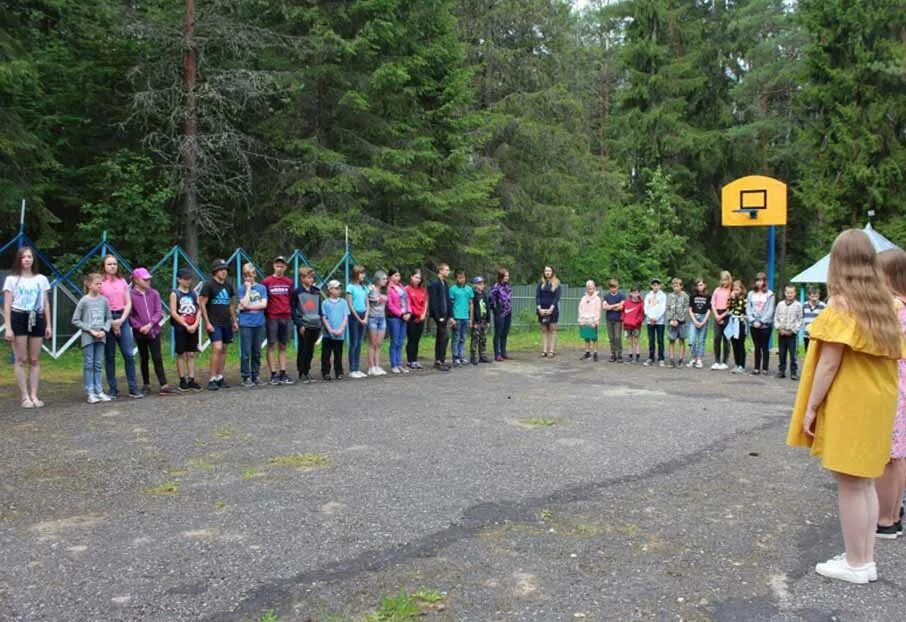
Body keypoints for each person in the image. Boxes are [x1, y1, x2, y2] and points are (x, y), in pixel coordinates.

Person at [787, 229, 903, 584]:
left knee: (850, 484)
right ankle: (864, 558)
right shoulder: (885, 305)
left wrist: (810, 407)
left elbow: (828, 364)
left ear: (837, 263)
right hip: (880, 400)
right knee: (864, 482)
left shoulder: (842, 305)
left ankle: (855, 562)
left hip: (852, 402)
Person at [875, 248, 906, 540]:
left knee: (887, 456)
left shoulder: (893, 306)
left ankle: (885, 518)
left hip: (893, 384)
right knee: (898, 455)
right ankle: (894, 514)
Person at [3, 246, 52, 408]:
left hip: (36, 317)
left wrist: (48, 325)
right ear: (19, 259)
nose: (27, 259)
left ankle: (34, 395)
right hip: (18, 317)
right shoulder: (11, 280)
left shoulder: (41, 279)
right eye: (24, 257)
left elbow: (45, 303)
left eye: (29, 257)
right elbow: (8, 305)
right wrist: (8, 327)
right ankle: (24, 397)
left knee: (35, 359)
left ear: (33, 260)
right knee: (21, 358)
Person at [100, 253, 141, 399]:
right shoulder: (101, 283)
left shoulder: (122, 281)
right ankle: (112, 388)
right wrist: (111, 321)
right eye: (109, 264)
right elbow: (98, 304)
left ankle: (133, 387)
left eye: (114, 264)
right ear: (104, 266)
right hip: (107, 319)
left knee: (128, 354)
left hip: (122, 318)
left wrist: (122, 320)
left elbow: (128, 302)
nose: (112, 266)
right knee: (109, 355)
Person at [129, 267, 173, 395]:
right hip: (140, 332)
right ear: (136, 280)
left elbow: (159, 311)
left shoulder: (154, 293)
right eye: (145, 279)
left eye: (149, 279)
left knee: (157, 357)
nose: (148, 281)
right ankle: (146, 383)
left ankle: (163, 383)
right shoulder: (130, 295)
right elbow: (130, 315)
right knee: (144, 357)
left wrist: (151, 324)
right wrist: (139, 327)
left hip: (154, 331)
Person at [71, 273, 112, 403]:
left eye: (101, 284)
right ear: (89, 285)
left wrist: (104, 330)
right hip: (88, 337)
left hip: (101, 337)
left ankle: (99, 391)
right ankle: (90, 392)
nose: (99, 286)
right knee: (89, 363)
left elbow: (109, 318)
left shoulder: (104, 300)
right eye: (97, 283)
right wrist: (90, 330)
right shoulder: (84, 301)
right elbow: (75, 320)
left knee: (98, 363)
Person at [199, 259, 237, 391]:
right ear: (215, 271)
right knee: (217, 348)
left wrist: (234, 320)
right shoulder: (208, 285)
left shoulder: (228, 286)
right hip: (214, 322)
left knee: (224, 349)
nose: (224, 272)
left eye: (225, 269)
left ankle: (220, 376)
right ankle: (212, 378)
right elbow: (202, 303)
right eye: (221, 269)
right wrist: (207, 322)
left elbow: (230, 304)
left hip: (226, 321)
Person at [262, 256, 294, 385]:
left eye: (282, 266)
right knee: (271, 345)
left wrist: (289, 312)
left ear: (285, 267)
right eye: (277, 265)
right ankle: (273, 373)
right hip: (272, 317)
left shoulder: (289, 282)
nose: (279, 268)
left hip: (285, 316)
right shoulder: (267, 282)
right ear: (274, 266)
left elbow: (291, 299)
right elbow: (265, 299)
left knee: (283, 346)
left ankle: (283, 372)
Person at [169, 267, 202, 391]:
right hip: (181, 327)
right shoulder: (175, 293)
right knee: (181, 353)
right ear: (179, 280)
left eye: (190, 279)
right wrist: (185, 325)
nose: (188, 281)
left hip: (193, 324)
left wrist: (195, 324)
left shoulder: (193, 293)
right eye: (185, 279)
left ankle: (192, 379)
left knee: (191, 353)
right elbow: (173, 312)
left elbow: (198, 310)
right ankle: (182, 379)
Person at [237, 263, 268, 387]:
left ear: (254, 274)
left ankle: (256, 375)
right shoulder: (241, 288)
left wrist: (247, 306)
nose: (248, 278)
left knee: (257, 351)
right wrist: (248, 289)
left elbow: (264, 304)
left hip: (259, 323)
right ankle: (246, 376)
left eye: (250, 275)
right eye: (245, 276)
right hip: (246, 323)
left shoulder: (262, 288)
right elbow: (242, 303)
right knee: (245, 352)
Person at [291, 267, 322, 383]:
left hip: (315, 324)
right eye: (309, 277)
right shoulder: (297, 291)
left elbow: (319, 308)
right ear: (302, 278)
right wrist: (300, 324)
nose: (311, 279)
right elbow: (293, 309)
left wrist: (320, 322)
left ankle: (307, 370)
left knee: (310, 348)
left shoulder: (316, 291)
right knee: (303, 348)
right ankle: (301, 372)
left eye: (312, 277)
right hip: (303, 324)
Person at [746, 272, 776, 376]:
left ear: (765, 282)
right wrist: (753, 321)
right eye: (758, 280)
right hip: (753, 324)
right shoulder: (750, 294)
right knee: (757, 347)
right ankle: (756, 367)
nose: (759, 283)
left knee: (765, 347)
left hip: (765, 325)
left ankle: (765, 368)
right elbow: (748, 309)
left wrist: (761, 321)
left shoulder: (770, 294)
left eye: (762, 280)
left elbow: (770, 310)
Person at [321, 279, 349, 381]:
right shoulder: (325, 303)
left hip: (340, 334)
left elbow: (345, 316)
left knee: (338, 354)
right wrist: (330, 330)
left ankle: (339, 372)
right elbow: (324, 318)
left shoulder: (343, 302)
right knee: (326, 354)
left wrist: (341, 329)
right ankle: (325, 372)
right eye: (336, 288)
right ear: (330, 290)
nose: (339, 290)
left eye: (339, 288)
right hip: (328, 335)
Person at [774, 284, 803, 381]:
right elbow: (776, 317)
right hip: (782, 333)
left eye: (791, 292)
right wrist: (779, 328)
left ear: (794, 293)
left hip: (792, 334)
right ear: (785, 293)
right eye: (788, 292)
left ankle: (794, 372)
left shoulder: (798, 305)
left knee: (793, 354)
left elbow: (800, 319)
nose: (789, 294)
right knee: (782, 353)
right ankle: (781, 371)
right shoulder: (780, 304)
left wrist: (794, 330)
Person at [346, 265, 370, 378]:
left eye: (364, 273)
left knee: (359, 343)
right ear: (356, 274)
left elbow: (367, 303)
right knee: (354, 343)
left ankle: (357, 367)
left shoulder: (364, 288)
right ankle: (352, 369)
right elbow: (350, 305)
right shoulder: (350, 287)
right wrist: (359, 318)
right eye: (361, 273)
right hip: (354, 316)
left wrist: (365, 317)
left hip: (363, 315)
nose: (363, 275)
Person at [428, 263, 453, 371]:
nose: (448, 272)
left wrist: (450, 315)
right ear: (440, 271)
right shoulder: (434, 283)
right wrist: (438, 316)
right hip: (439, 316)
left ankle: (441, 360)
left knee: (444, 337)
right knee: (443, 337)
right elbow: (433, 301)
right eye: (446, 270)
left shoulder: (445, 283)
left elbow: (447, 300)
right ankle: (438, 361)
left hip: (445, 314)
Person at [386, 269, 411, 374]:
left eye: (399, 275)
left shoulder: (401, 287)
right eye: (396, 275)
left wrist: (409, 312)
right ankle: (394, 364)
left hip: (405, 317)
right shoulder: (388, 288)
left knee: (401, 341)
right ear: (390, 277)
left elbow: (407, 301)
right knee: (395, 341)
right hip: (394, 318)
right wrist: (400, 314)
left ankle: (400, 364)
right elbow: (390, 305)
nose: (398, 277)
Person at [365, 271, 388, 376]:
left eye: (386, 279)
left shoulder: (384, 290)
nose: (385, 281)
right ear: (377, 279)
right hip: (372, 318)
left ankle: (377, 366)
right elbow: (373, 300)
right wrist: (382, 298)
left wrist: (383, 298)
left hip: (382, 318)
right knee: (372, 343)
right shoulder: (371, 288)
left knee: (379, 344)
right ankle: (371, 367)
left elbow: (385, 300)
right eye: (383, 279)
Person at [404, 269, 428, 370]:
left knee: (417, 339)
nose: (418, 280)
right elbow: (407, 303)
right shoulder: (407, 289)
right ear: (411, 277)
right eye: (416, 277)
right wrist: (414, 314)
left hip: (421, 317)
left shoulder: (422, 290)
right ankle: (410, 360)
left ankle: (415, 360)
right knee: (411, 339)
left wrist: (423, 314)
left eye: (419, 278)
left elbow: (425, 302)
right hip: (412, 317)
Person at [536, 266, 562, 358]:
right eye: (546, 270)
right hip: (542, 309)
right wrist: (539, 308)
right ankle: (544, 350)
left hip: (552, 310)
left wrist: (551, 308)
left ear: (552, 272)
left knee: (552, 329)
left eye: (549, 271)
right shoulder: (540, 283)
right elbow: (537, 296)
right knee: (544, 330)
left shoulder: (557, 283)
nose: (547, 272)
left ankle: (552, 350)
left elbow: (557, 297)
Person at [449, 270, 474, 366]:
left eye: (463, 277)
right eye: (459, 278)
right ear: (456, 278)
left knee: (463, 338)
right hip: (456, 317)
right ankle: (455, 357)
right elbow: (450, 304)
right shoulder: (452, 289)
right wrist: (451, 317)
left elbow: (471, 304)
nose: (462, 279)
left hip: (465, 317)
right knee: (456, 338)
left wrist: (471, 319)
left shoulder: (469, 289)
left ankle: (461, 356)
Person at [488, 268, 512, 362]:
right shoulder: (496, 287)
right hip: (500, 313)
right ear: (501, 276)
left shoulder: (508, 286)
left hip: (508, 312)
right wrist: (495, 310)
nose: (507, 277)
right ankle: (497, 354)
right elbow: (490, 299)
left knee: (505, 333)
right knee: (498, 333)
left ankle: (503, 352)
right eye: (506, 276)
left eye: (508, 275)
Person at [710, 271, 733, 370]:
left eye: (726, 280)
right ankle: (717, 360)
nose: (724, 282)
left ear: (729, 280)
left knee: (726, 339)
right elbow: (712, 303)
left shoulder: (731, 292)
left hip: (726, 315)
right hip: (717, 314)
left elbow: (731, 307)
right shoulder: (717, 290)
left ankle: (725, 361)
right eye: (722, 280)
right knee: (717, 338)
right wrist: (716, 315)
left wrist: (723, 316)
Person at [665, 277, 689, 368]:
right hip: (672, 322)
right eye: (674, 286)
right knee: (671, 340)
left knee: (682, 340)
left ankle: (680, 360)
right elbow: (667, 309)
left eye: (677, 286)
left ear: (681, 286)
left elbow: (686, 309)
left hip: (681, 322)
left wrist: (679, 320)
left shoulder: (685, 296)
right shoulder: (670, 296)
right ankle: (671, 359)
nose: (676, 288)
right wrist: (670, 320)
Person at [687, 279, 711, 369]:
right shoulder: (692, 296)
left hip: (703, 317)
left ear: (704, 285)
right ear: (696, 287)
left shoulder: (708, 297)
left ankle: (699, 359)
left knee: (701, 340)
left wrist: (703, 321)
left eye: (701, 284)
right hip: (694, 318)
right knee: (691, 340)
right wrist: (695, 321)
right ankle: (693, 358)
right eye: (698, 285)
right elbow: (690, 309)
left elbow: (709, 310)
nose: (700, 286)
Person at [643, 278, 666, 367]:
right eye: (654, 285)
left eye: (657, 285)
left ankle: (661, 358)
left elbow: (662, 308)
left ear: (660, 286)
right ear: (651, 286)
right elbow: (646, 308)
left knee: (660, 340)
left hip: (659, 322)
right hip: (650, 321)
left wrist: (656, 318)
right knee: (651, 340)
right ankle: (651, 358)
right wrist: (650, 318)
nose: (656, 287)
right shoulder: (648, 295)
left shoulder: (663, 295)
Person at [726, 280, 748, 374]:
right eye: (734, 289)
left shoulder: (744, 299)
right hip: (732, 322)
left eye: (737, 289)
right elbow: (729, 308)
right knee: (734, 343)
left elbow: (744, 309)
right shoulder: (731, 298)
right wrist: (731, 298)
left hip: (741, 323)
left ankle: (742, 365)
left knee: (740, 344)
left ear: (741, 290)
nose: (735, 291)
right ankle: (737, 363)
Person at [602, 279, 626, 363]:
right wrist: (615, 305)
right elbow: (604, 307)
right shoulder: (606, 296)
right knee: (611, 338)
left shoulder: (621, 296)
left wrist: (610, 306)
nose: (613, 289)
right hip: (609, 319)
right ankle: (613, 355)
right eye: (611, 287)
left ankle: (619, 355)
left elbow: (621, 307)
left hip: (618, 320)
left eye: (615, 287)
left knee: (617, 337)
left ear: (617, 287)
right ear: (609, 288)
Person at [469, 276, 492, 365]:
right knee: (475, 339)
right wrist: (473, 321)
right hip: (477, 321)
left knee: (483, 339)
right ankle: (473, 357)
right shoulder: (473, 296)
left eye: (482, 283)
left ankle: (482, 356)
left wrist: (488, 320)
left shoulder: (484, 295)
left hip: (484, 320)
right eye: (479, 284)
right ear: (475, 285)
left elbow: (488, 308)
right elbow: (472, 309)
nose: (482, 285)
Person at [578, 280, 602, 361]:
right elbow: (580, 309)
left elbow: (598, 310)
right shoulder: (583, 298)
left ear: (594, 288)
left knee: (594, 337)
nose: (590, 290)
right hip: (585, 320)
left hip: (593, 321)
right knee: (586, 337)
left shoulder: (597, 299)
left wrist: (596, 320)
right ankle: (587, 352)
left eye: (592, 288)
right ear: (586, 289)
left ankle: (595, 353)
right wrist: (581, 319)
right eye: (588, 289)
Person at [622, 286, 644, 364]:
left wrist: (636, 322)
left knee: (636, 341)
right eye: (633, 292)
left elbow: (642, 316)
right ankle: (630, 356)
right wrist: (624, 320)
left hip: (636, 326)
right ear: (630, 293)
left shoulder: (641, 303)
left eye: (637, 292)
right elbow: (623, 313)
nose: (635, 294)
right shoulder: (626, 302)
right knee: (629, 341)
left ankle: (637, 356)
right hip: (627, 325)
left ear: (639, 293)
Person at [803, 286, 826, 352]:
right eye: (813, 296)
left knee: (817, 353)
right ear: (809, 296)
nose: (814, 298)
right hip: (807, 335)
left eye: (816, 296)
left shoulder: (823, 306)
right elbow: (802, 317)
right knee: (807, 353)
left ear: (819, 296)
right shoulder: (804, 305)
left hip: (817, 335)